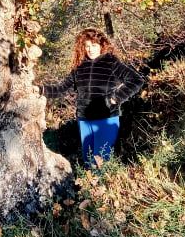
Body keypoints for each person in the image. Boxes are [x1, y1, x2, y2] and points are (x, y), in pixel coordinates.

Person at [39, 28, 143, 165]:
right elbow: (62, 88)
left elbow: (136, 80)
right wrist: (41, 90)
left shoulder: (111, 62)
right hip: (84, 120)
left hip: (106, 119)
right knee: (88, 160)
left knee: (101, 160)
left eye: (94, 45)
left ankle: (104, 179)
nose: (90, 49)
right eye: (87, 46)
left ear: (101, 45)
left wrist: (115, 98)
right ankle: (90, 179)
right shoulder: (79, 66)